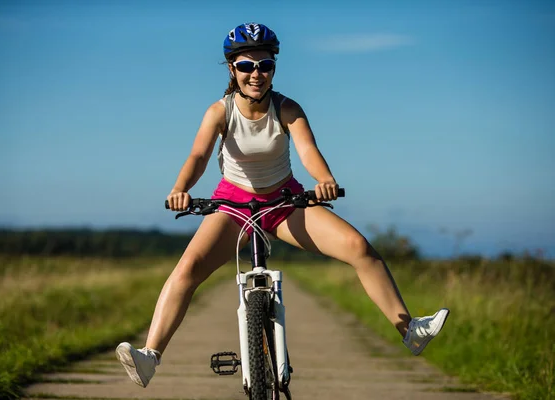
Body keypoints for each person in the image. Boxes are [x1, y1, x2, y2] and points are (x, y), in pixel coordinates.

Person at [116, 22, 450, 388]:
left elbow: (308, 150)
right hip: (233, 207)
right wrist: (180, 188)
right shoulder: (219, 112)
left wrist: (325, 181)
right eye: (246, 66)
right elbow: (198, 155)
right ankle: (149, 356)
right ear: (232, 69)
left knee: (359, 248)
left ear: (274, 68)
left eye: (264, 65)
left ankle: (409, 330)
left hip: (283, 202)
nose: (255, 74)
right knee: (188, 268)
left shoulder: (287, 108)